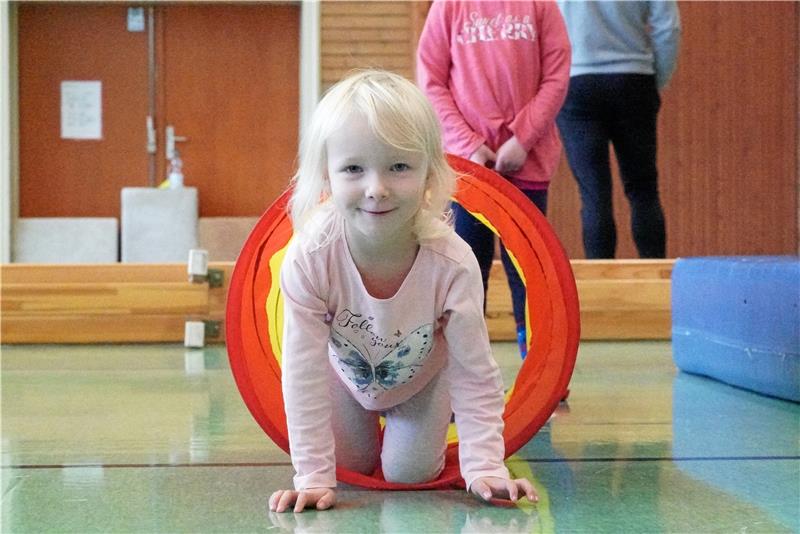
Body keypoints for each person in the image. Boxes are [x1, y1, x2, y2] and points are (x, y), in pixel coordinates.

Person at [268, 70, 537, 514]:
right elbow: (303, 372)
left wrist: (485, 466)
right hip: (345, 378)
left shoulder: (451, 262)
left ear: (430, 172)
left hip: (423, 383)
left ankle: (410, 432)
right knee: (347, 465)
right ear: (325, 176)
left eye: (399, 167)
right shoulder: (311, 257)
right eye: (354, 169)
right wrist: (312, 475)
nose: (377, 189)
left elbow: (475, 371)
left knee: (406, 474)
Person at [417, 0, 571, 358]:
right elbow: (431, 81)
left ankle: (540, 362)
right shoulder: (450, 6)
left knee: (529, 272)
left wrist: (523, 138)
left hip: (526, 164)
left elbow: (556, 76)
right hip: (469, 170)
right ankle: (462, 369)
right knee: (466, 270)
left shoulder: (540, 6)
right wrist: (470, 145)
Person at [555, 1, 681, 259]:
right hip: (634, 79)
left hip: (576, 80)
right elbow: (669, 27)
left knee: (593, 194)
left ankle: (601, 287)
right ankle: (654, 282)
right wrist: (657, 80)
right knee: (643, 188)